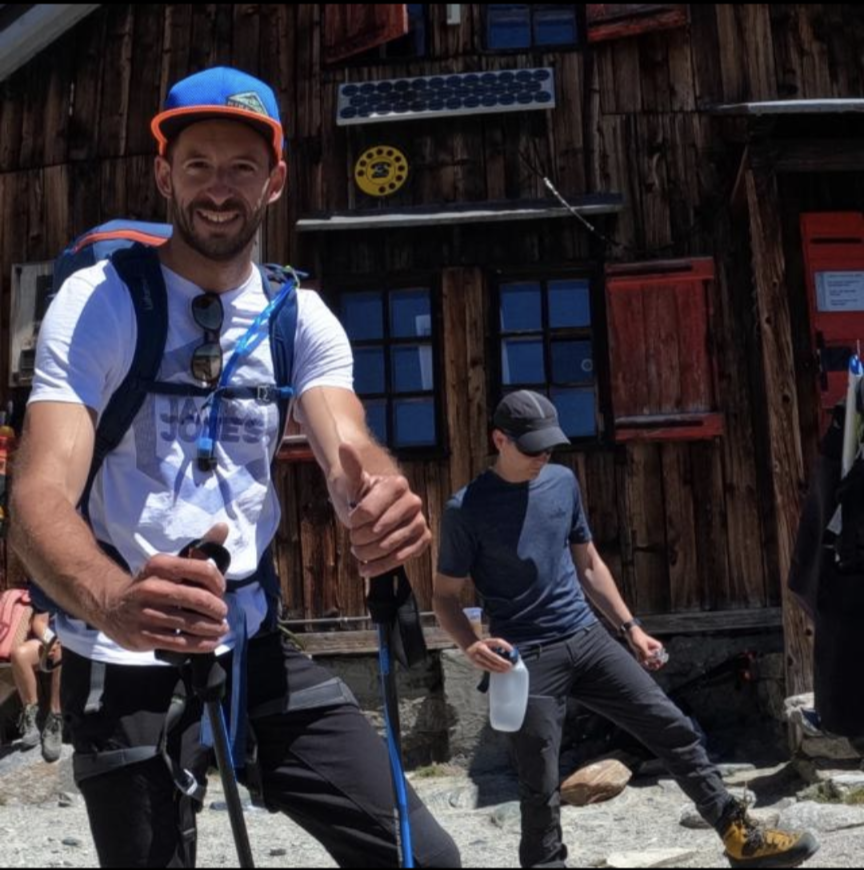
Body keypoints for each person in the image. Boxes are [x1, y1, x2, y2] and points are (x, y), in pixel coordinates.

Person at [9, 66, 459, 869]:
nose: (219, 189)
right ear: (165, 176)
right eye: (198, 165)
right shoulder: (101, 302)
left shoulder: (298, 315)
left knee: (421, 856)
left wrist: (378, 496)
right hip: (122, 651)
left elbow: (346, 441)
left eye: (242, 168)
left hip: (252, 642)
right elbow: (39, 493)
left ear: (274, 182)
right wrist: (113, 601)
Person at [433, 390, 820, 870]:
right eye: (532, 448)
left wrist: (630, 628)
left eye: (549, 447)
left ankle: (739, 837)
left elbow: (589, 564)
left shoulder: (562, 483)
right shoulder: (466, 509)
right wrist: (470, 645)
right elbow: (444, 596)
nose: (543, 457)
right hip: (526, 658)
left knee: (672, 728)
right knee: (539, 784)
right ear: (499, 440)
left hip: (587, 637)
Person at [11, 583, 63, 763]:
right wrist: (51, 640)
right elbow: (39, 622)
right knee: (19, 654)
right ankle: (30, 715)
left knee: (63, 652)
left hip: (75, 644)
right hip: (51, 640)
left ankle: (55, 718)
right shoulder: (49, 586)